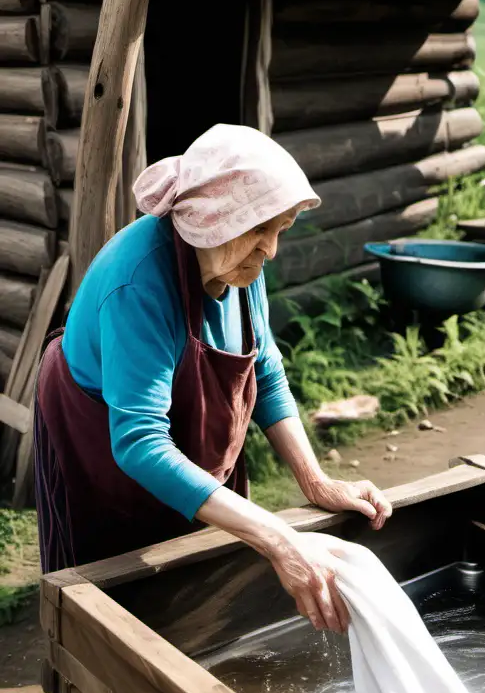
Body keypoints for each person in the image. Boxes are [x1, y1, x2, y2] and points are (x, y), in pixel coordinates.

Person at [34, 124, 392, 633]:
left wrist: (316, 481)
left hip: (173, 427)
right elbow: (139, 443)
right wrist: (276, 537)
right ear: (213, 220)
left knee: (198, 574)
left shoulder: (240, 260)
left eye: (281, 229)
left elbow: (264, 371)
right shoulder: (138, 281)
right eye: (259, 230)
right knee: (108, 592)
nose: (271, 250)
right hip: (94, 433)